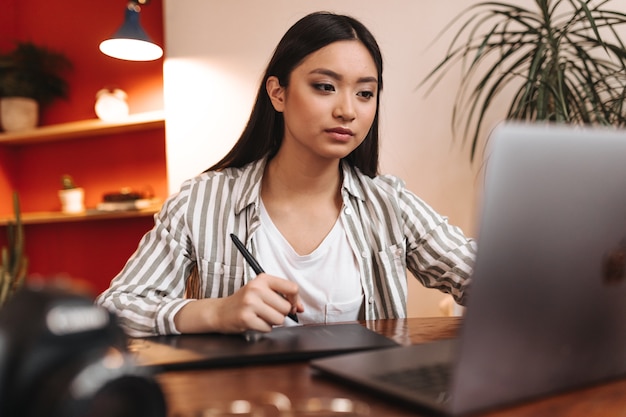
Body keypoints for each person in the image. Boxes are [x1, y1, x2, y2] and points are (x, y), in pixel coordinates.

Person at [96, 11, 477, 338]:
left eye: (365, 93)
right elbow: (115, 307)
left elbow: (489, 280)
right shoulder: (202, 201)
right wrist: (214, 312)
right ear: (277, 93)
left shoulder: (390, 203)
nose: (348, 110)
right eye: (325, 87)